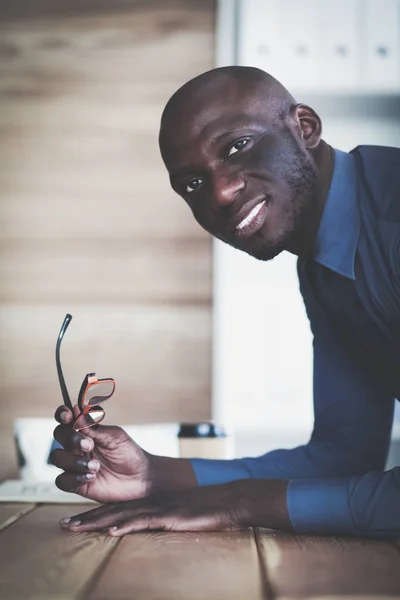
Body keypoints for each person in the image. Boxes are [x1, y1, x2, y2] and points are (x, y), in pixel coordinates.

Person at [51, 66, 400, 538]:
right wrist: (155, 476)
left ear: (306, 128)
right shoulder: (322, 265)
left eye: (238, 146)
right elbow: (344, 456)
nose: (220, 192)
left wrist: (242, 502)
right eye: (192, 183)